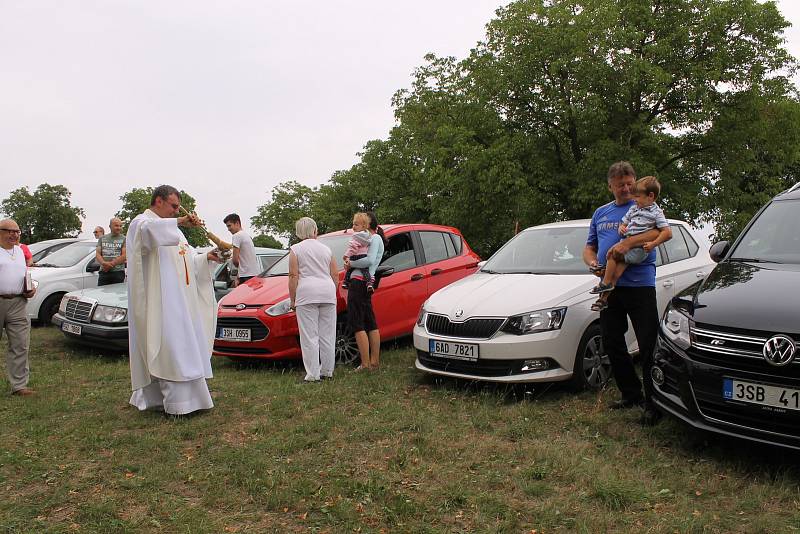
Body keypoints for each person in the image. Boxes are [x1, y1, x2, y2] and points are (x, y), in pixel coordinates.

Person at [126, 185, 221, 415]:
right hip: (160, 303)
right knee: (169, 347)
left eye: (178, 208)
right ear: (158, 201)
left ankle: (187, 400)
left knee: (183, 345)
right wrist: (179, 221)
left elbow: (185, 260)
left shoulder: (174, 231)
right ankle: (175, 403)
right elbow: (147, 234)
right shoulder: (141, 223)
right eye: (174, 206)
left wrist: (204, 258)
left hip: (181, 301)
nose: (176, 211)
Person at [583, 162, 664, 426]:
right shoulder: (601, 213)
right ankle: (631, 394)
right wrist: (593, 263)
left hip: (640, 285)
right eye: (621, 185)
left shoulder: (644, 205)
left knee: (648, 343)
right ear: (611, 186)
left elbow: (658, 232)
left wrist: (627, 242)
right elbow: (589, 247)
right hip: (611, 288)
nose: (627, 188)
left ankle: (654, 404)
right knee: (612, 341)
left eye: (630, 183)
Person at [589, 176, 671, 311]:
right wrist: (622, 227)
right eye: (621, 185)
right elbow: (624, 222)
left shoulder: (656, 213)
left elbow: (665, 233)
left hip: (639, 254)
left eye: (637, 196)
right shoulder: (634, 208)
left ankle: (605, 283)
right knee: (616, 273)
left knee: (612, 254)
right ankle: (603, 299)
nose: (634, 199)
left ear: (650, 196)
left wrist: (653, 244)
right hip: (625, 250)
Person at [288, 217, 339, 382]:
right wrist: (333, 291)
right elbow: (335, 274)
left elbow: (293, 275)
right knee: (328, 334)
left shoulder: (296, 249)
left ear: (299, 232)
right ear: (315, 230)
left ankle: (312, 374)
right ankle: (327, 371)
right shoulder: (326, 249)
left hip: (306, 293)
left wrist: (292, 299)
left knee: (309, 336)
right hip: (327, 292)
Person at [344, 212, 385, 370]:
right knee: (370, 322)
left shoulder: (374, 238)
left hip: (359, 282)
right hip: (365, 283)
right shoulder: (373, 239)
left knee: (357, 323)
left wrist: (351, 264)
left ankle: (365, 363)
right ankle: (373, 361)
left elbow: (369, 260)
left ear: (368, 224)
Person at [0, 219, 37, 396]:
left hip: (18, 302)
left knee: (20, 345)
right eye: (10, 231)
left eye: (17, 231)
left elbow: (23, 274)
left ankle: (19, 385)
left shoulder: (20, 252)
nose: (14, 234)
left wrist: (29, 288)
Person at [341, 212, 374, 291]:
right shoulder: (368, 236)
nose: (353, 227)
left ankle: (345, 282)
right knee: (365, 271)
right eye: (353, 224)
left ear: (363, 226)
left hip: (355, 256)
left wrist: (346, 255)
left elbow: (353, 248)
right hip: (363, 256)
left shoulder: (356, 236)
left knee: (349, 270)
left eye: (356, 225)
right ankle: (369, 283)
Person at [223, 213, 259, 286]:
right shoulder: (246, 236)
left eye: (229, 226)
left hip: (246, 277)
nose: (228, 229)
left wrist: (239, 274)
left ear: (237, 223)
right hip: (255, 275)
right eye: (227, 227)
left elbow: (235, 260)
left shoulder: (237, 236)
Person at [96, 217, 127, 286]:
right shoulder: (102, 238)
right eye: (116, 225)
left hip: (118, 272)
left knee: (117, 295)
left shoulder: (124, 239)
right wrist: (104, 263)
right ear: (110, 226)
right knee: (101, 294)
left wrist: (111, 265)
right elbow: (98, 254)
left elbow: (124, 255)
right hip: (104, 271)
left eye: (120, 226)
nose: (118, 228)